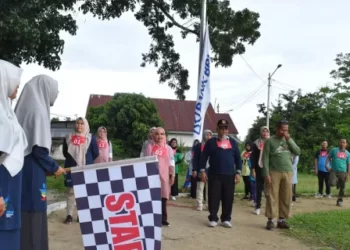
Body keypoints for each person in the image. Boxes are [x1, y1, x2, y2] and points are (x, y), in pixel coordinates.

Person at [15, 75, 66, 250]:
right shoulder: (37, 111)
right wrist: (54, 167)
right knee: (33, 212)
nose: (55, 95)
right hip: (32, 173)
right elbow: (38, 149)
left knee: (28, 210)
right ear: (45, 88)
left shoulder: (29, 107)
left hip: (26, 168)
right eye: (54, 91)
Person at [0, 60, 28, 250]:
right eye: (15, 80)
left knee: (10, 231)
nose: (18, 85)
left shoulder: (7, 111)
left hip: (11, 185)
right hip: (2, 186)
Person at [200, 119, 242, 228]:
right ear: (217, 129)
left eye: (226, 128)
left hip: (229, 175)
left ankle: (226, 219)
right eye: (222, 128)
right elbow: (203, 157)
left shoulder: (232, 142)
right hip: (215, 174)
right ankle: (213, 218)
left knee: (228, 197)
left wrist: (238, 172)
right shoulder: (211, 142)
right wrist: (202, 170)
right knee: (214, 196)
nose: (224, 130)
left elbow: (238, 158)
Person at [262, 120, 300, 230]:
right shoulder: (270, 141)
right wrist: (266, 174)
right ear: (277, 129)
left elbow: (298, 151)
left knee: (286, 196)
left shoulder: (288, 140)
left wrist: (289, 140)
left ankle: (282, 220)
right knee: (272, 196)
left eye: (286, 130)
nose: (285, 132)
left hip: (288, 172)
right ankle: (270, 220)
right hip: (274, 172)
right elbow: (265, 159)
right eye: (283, 130)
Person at [63, 117, 99, 224]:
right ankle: (69, 215)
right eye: (78, 123)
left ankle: (81, 215)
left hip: (86, 168)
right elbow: (65, 153)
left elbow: (95, 153)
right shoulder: (68, 137)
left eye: (82, 124)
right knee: (70, 192)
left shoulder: (90, 138)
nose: (79, 126)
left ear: (85, 125)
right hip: (71, 167)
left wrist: (85, 160)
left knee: (84, 192)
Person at [144, 127, 175, 226]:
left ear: (164, 136)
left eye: (162, 134)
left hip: (164, 176)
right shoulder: (149, 147)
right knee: (152, 197)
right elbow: (145, 161)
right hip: (152, 176)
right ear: (153, 135)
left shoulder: (168, 148)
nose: (159, 136)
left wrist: (172, 175)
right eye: (157, 134)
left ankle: (163, 219)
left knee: (163, 197)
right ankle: (151, 219)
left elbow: (171, 163)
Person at [251, 126, 270, 215]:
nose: (265, 133)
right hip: (259, 167)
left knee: (269, 188)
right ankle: (258, 206)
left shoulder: (271, 142)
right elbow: (253, 157)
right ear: (260, 132)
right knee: (259, 187)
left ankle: (269, 206)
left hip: (270, 168)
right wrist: (253, 169)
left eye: (266, 131)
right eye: (263, 131)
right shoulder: (256, 143)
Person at [192, 129, 212, 211]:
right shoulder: (199, 146)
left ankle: (208, 205)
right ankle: (199, 204)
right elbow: (195, 158)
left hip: (211, 169)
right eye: (207, 135)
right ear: (203, 135)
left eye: (210, 135)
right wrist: (195, 169)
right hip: (201, 169)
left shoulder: (213, 145)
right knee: (200, 187)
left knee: (209, 188)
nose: (208, 136)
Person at [326, 139, 350, 207]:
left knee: (343, 187)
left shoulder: (348, 153)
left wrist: (348, 174)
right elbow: (328, 157)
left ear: (346, 144)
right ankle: (337, 183)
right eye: (341, 142)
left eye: (344, 142)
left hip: (343, 172)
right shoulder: (334, 150)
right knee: (331, 183)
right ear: (339, 143)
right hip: (333, 170)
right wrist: (327, 165)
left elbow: (348, 164)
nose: (342, 143)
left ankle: (340, 200)